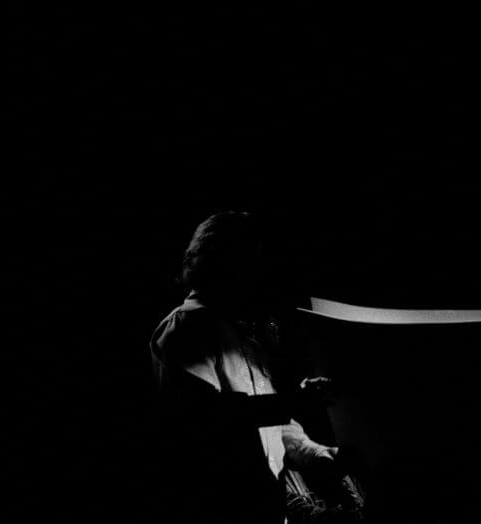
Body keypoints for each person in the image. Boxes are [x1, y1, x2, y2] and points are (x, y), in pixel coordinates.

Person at [149, 211, 363, 523]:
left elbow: (272, 429)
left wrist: (321, 454)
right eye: (249, 263)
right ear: (219, 265)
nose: (259, 277)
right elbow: (206, 420)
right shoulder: (186, 328)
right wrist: (292, 401)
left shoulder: (243, 337)